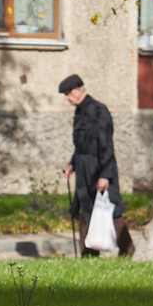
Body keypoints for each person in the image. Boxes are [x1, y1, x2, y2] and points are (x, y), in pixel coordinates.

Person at [59, 74, 134, 257]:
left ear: (78, 91)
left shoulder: (99, 110)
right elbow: (82, 145)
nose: (66, 98)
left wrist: (105, 175)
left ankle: (129, 251)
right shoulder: (79, 112)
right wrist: (72, 164)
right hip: (84, 169)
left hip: (100, 167)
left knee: (111, 210)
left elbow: (106, 145)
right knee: (85, 210)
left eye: (68, 94)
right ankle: (88, 256)